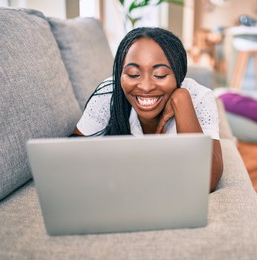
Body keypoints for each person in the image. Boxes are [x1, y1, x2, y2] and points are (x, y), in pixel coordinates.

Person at [72, 27, 223, 192]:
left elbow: (206, 182)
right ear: (120, 74)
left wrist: (182, 99)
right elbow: (71, 153)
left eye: (159, 75)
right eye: (133, 74)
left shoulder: (199, 98)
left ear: (179, 75)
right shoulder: (109, 94)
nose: (145, 87)